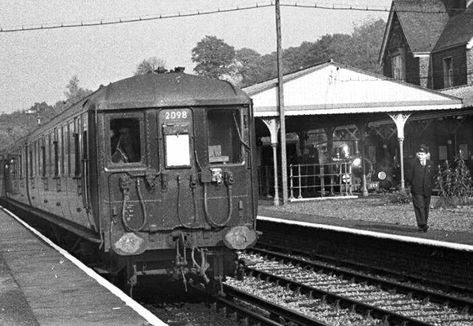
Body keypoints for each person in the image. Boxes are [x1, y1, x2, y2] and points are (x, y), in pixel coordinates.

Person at [406, 144, 434, 232]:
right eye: (419, 154)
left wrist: (430, 186)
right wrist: (413, 184)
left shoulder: (430, 164)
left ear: (426, 154)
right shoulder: (413, 163)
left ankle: (423, 225)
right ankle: (422, 224)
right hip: (417, 189)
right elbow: (409, 176)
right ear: (417, 155)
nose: (421, 156)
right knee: (419, 206)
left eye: (423, 154)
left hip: (427, 189)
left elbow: (432, 176)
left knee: (426, 207)